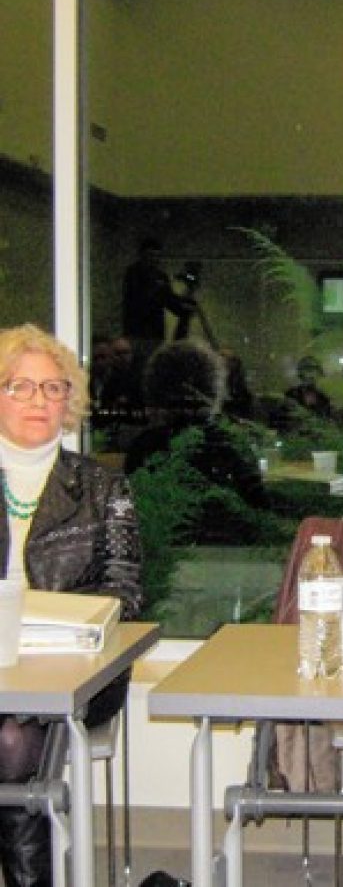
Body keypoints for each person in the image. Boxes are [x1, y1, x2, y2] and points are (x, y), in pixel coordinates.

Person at [0, 323, 142, 886]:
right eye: (20, 387)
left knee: (10, 738)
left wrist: (45, 627)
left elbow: (124, 596)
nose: (39, 400)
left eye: (53, 388)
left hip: (71, 675)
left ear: (70, 403)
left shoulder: (104, 489)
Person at [124, 339, 267, 543]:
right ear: (213, 387)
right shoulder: (230, 444)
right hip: (230, 559)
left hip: (162, 558)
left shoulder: (145, 446)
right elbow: (258, 514)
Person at [121, 238, 196, 374]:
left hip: (155, 334)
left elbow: (169, 300)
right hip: (137, 332)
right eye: (150, 255)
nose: (154, 260)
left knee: (153, 369)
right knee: (137, 369)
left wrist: (184, 305)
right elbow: (139, 300)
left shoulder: (161, 277)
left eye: (156, 256)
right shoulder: (133, 274)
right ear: (142, 255)